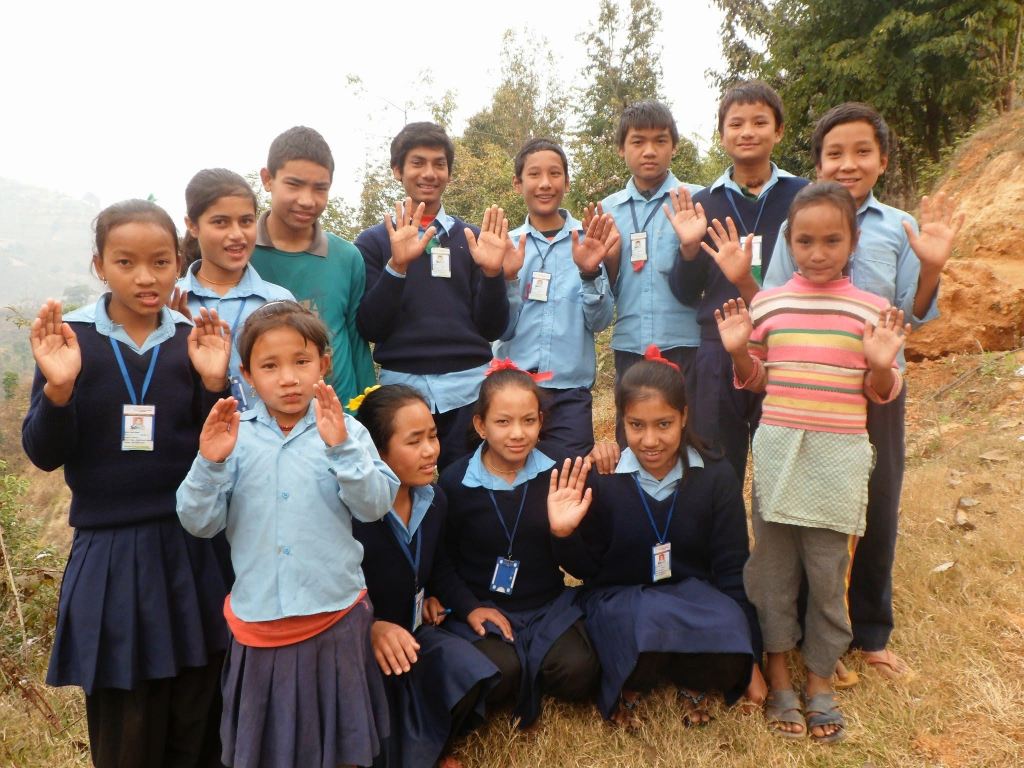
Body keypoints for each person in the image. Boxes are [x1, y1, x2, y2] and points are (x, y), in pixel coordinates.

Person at [22, 199, 233, 767]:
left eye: (161, 262)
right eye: (125, 262)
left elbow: (217, 453)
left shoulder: (194, 340)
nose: (146, 277)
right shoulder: (71, 339)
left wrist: (214, 385)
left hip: (192, 549)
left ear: (179, 262)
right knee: (127, 728)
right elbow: (43, 454)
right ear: (99, 266)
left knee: (199, 719)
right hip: (110, 553)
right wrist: (59, 391)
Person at [763, 103, 963, 680]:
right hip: (811, 392)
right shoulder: (796, 225)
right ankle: (809, 629)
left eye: (861, 152)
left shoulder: (900, 227)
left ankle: (870, 634)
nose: (848, 163)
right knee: (803, 509)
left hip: (877, 386)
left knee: (876, 502)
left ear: (883, 160)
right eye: (835, 153)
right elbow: (774, 300)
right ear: (818, 163)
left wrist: (931, 267)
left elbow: (914, 315)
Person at [716, 181, 910, 743]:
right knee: (772, 570)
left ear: (853, 242)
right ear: (789, 242)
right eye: (805, 241)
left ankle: (820, 680)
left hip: (839, 456)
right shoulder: (769, 304)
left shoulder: (872, 311)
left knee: (828, 574)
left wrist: (880, 365)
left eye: (832, 240)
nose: (818, 252)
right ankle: (779, 674)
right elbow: (756, 379)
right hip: (779, 451)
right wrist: (738, 352)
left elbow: (881, 391)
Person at [176, 300, 399, 768]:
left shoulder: (347, 431)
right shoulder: (234, 438)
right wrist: (210, 462)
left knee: (342, 748)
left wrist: (342, 450)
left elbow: (375, 506)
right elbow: (199, 522)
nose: (289, 379)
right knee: (269, 750)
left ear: (324, 364)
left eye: (301, 362)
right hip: (259, 622)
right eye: (270, 366)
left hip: (335, 616)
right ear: (246, 374)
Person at [550, 352, 762, 730]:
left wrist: (752, 659)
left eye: (664, 424)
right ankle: (663, 669)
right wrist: (564, 535)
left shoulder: (715, 475)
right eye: (636, 425)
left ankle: (668, 670)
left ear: (684, 416)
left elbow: (731, 568)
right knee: (642, 622)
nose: (650, 440)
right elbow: (588, 571)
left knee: (729, 623)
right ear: (622, 422)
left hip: (693, 599)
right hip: (623, 602)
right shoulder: (605, 478)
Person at [437, 364, 600, 728]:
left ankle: (535, 661)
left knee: (578, 672)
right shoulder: (455, 482)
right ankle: (519, 667)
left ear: (541, 421)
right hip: (485, 606)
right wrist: (469, 607)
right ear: (480, 425)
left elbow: (585, 568)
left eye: (528, 421)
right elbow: (442, 561)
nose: (517, 433)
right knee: (500, 671)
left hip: (547, 606)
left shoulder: (560, 472)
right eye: (503, 422)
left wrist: (563, 533)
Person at [351, 384, 500, 768]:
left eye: (432, 436)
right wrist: (370, 627)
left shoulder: (433, 500)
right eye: (414, 441)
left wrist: (469, 607)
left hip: (415, 634)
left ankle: (431, 745)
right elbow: (331, 586)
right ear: (376, 451)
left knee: (471, 671)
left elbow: (440, 567)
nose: (431, 450)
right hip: (360, 645)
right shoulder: (353, 516)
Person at [666, 81, 809, 480]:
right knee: (716, 468)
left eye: (759, 122)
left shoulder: (804, 197)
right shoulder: (702, 203)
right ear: (721, 134)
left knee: (782, 469)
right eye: (736, 124)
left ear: (779, 131)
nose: (747, 132)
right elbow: (684, 291)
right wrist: (689, 248)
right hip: (717, 349)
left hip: (784, 347)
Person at [356, 122, 511, 471]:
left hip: (468, 390)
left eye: (439, 164)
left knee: (467, 482)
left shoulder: (474, 239)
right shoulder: (374, 242)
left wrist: (492, 273)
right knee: (404, 486)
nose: (429, 173)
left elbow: (493, 328)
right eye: (417, 163)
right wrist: (397, 266)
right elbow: (371, 327)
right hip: (402, 391)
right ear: (397, 170)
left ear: (449, 174)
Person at [495, 138, 617, 461]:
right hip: (513, 391)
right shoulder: (507, 245)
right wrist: (508, 279)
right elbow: (500, 329)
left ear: (567, 181)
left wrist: (590, 272)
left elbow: (601, 321)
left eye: (554, 173)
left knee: (568, 477)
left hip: (569, 395)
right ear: (518, 183)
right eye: (534, 174)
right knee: (513, 478)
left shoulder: (588, 240)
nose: (545, 183)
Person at [596, 100, 703, 444]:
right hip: (631, 346)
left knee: (690, 439)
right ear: (621, 148)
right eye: (638, 141)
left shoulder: (697, 201)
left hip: (687, 344)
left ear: (675, 146)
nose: (649, 151)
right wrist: (609, 262)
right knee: (634, 442)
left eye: (660, 141)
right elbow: (604, 289)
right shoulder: (607, 210)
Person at [248, 126, 376, 408]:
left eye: (320, 188)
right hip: (262, 419)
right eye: (294, 185)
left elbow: (357, 344)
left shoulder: (346, 257)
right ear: (267, 179)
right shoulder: (241, 255)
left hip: (341, 415)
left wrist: (369, 413)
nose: (307, 200)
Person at [176, 167, 294, 410]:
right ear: (192, 225)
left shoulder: (279, 302)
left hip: (269, 432)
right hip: (192, 431)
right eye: (220, 222)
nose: (237, 234)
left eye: (246, 221)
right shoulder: (171, 303)